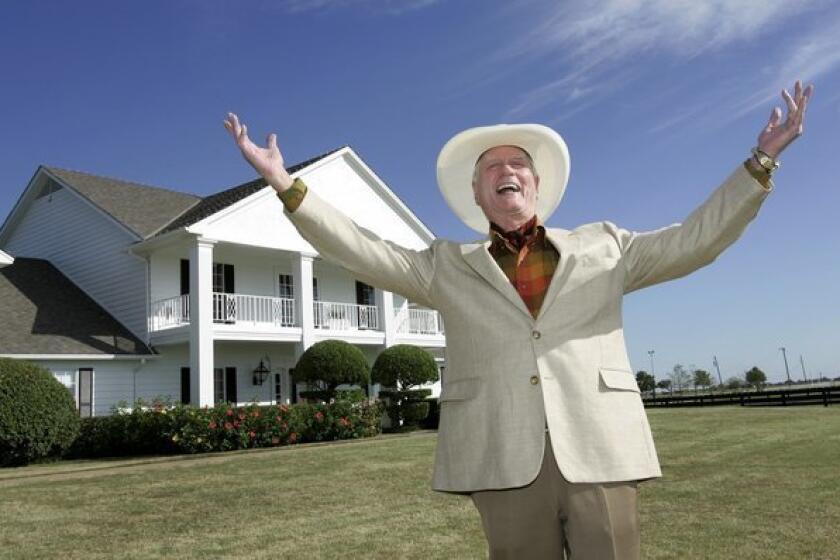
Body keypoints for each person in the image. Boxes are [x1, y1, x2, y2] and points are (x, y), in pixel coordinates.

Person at [223, 80, 812, 559]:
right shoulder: (445, 267)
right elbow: (362, 249)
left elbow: (696, 240)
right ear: (478, 194)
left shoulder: (606, 245)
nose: (507, 170)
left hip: (601, 447)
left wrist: (760, 162)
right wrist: (285, 184)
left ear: (536, 183)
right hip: (502, 454)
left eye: (518, 163)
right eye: (491, 167)